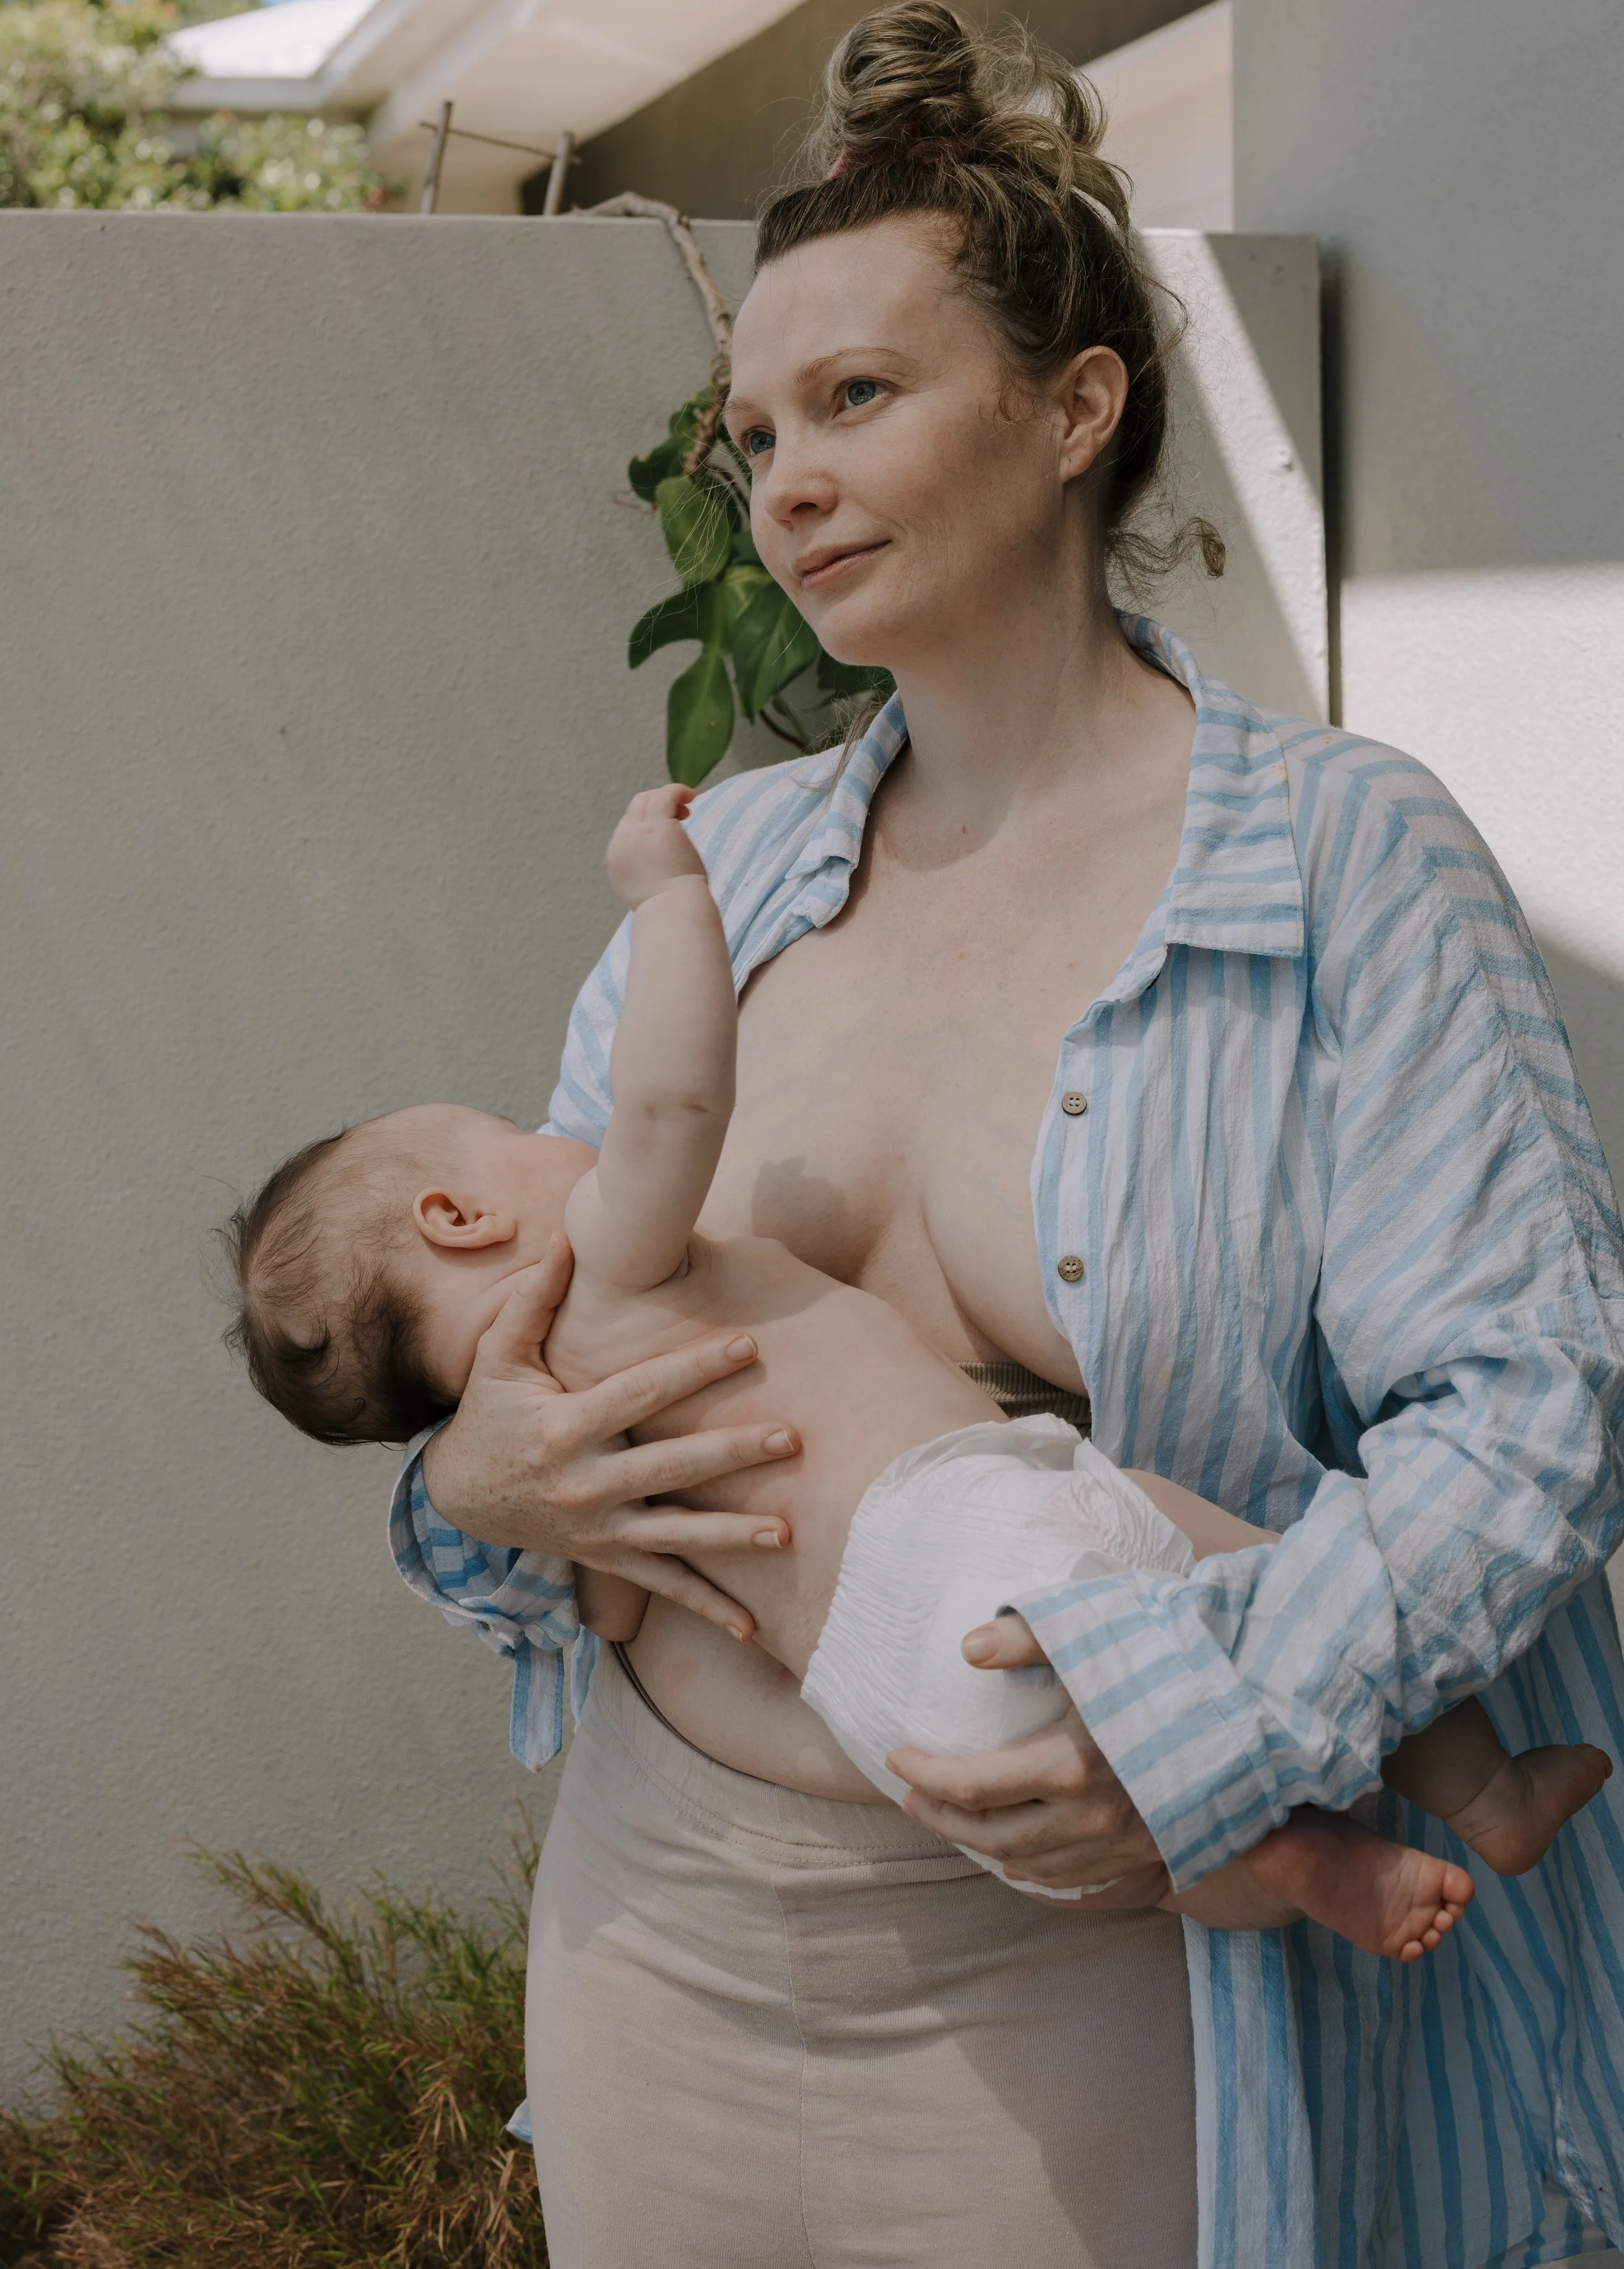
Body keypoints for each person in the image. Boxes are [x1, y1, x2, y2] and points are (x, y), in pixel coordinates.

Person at [381, 3, 1624, 2269]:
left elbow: (1527, 1413)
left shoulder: (1345, 858)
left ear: (1078, 407)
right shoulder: (728, 869)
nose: (784, 479)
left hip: (1106, 1966)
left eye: (858, 397)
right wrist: (472, 1486)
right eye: (754, 426)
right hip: (657, 1934)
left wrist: (1220, 1720)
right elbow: (522, 1315)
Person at [229, 778, 1610, 1956]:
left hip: (895, 1715)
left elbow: (609, 1610)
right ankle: (1483, 1792)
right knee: (1257, 1570)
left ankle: (1306, 1866)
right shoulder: (596, 1257)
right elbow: (668, 1099)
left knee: (1184, 1815)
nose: (553, 1131)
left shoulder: (553, 1453)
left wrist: (479, 1475)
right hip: (981, 1537)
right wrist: (665, 901)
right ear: (459, 1219)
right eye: (497, 1132)